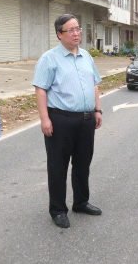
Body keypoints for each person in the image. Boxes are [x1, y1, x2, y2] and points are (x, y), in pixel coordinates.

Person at [33, 14, 103, 229]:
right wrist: (45, 119)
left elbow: (94, 85)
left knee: (83, 164)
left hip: (86, 120)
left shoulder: (87, 56)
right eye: (70, 30)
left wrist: (97, 110)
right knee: (57, 167)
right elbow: (41, 89)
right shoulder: (49, 59)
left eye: (77, 29)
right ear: (59, 34)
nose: (76, 33)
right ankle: (58, 209)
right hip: (61, 120)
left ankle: (81, 202)